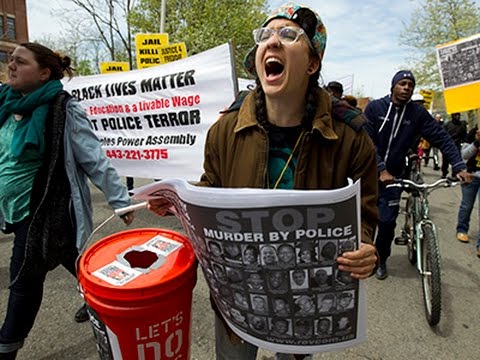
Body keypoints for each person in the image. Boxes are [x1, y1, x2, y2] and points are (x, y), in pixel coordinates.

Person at [148, 3, 378, 359]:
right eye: (264, 36)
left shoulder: (351, 138)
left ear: (313, 64)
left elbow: (364, 216)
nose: (272, 42)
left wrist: (365, 249)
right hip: (239, 295)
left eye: (288, 35)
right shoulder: (224, 131)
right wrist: (180, 203)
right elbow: (211, 188)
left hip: (305, 301)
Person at [0, 42, 134, 359]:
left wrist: (120, 200)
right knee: (79, 264)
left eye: (20, 61)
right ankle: (111, 300)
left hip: (47, 214)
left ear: (44, 72)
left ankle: (5, 347)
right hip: (14, 210)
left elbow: (94, 160)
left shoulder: (64, 108)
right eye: (10, 60)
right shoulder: (5, 103)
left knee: (24, 281)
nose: (11, 65)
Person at [364, 69, 470, 280]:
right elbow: (366, 141)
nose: (406, 88)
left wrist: (458, 165)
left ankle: (380, 259)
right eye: (402, 83)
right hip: (368, 175)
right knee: (363, 219)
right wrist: (380, 168)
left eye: (410, 85)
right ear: (393, 85)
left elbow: (442, 137)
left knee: (386, 222)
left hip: (394, 178)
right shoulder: (375, 108)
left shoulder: (417, 114)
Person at [457, 126, 480, 256]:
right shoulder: (473, 132)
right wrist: (476, 142)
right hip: (471, 176)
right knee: (466, 206)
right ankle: (462, 229)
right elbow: (464, 155)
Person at [441, 112, 467, 179]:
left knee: (455, 159)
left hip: (457, 144)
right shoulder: (447, 125)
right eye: (455, 115)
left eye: (458, 115)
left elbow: (464, 135)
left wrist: (462, 141)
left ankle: (454, 173)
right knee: (445, 160)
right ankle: (444, 172)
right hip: (448, 144)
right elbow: (443, 134)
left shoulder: (462, 125)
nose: (457, 117)